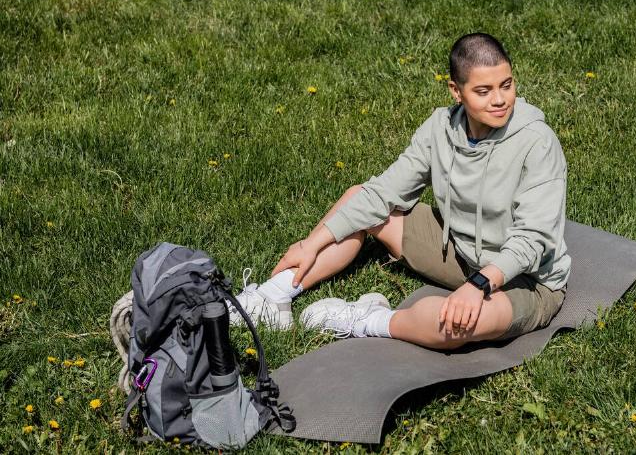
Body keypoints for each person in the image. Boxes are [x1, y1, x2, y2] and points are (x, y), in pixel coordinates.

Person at [232, 33, 571, 349]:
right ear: (456, 91)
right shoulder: (441, 128)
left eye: (506, 85)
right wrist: (312, 243)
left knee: (455, 325)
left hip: (527, 280)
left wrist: (478, 287)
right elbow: (382, 193)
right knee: (358, 198)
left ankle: (370, 319)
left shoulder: (537, 142)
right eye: (483, 91)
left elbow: (532, 238)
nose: (500, 100)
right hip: (460, 252)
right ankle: (272, 297)